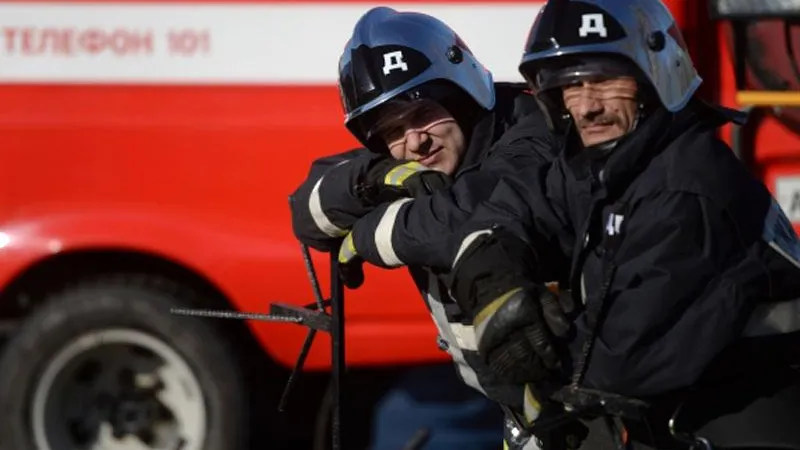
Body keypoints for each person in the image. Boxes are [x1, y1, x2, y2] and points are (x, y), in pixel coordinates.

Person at [434, 0, 800, 448]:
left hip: (746, 423)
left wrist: (528, 342)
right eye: (571, 87)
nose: (587, 107)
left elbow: (615, 363)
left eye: (604, 81)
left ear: (653, 80)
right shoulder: (607, 165)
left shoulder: (686, 189)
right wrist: (496, 284)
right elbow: (508, 212)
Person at [288, 6, 560, 449]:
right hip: (525, 415)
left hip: (588, 413)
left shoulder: (533, 134)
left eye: (423, 113)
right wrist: (375, 178)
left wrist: (369, 232)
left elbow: (469, 216)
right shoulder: (410, 166)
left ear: (461, 95)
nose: (416, 141)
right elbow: (306, 207)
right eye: (392, 130)